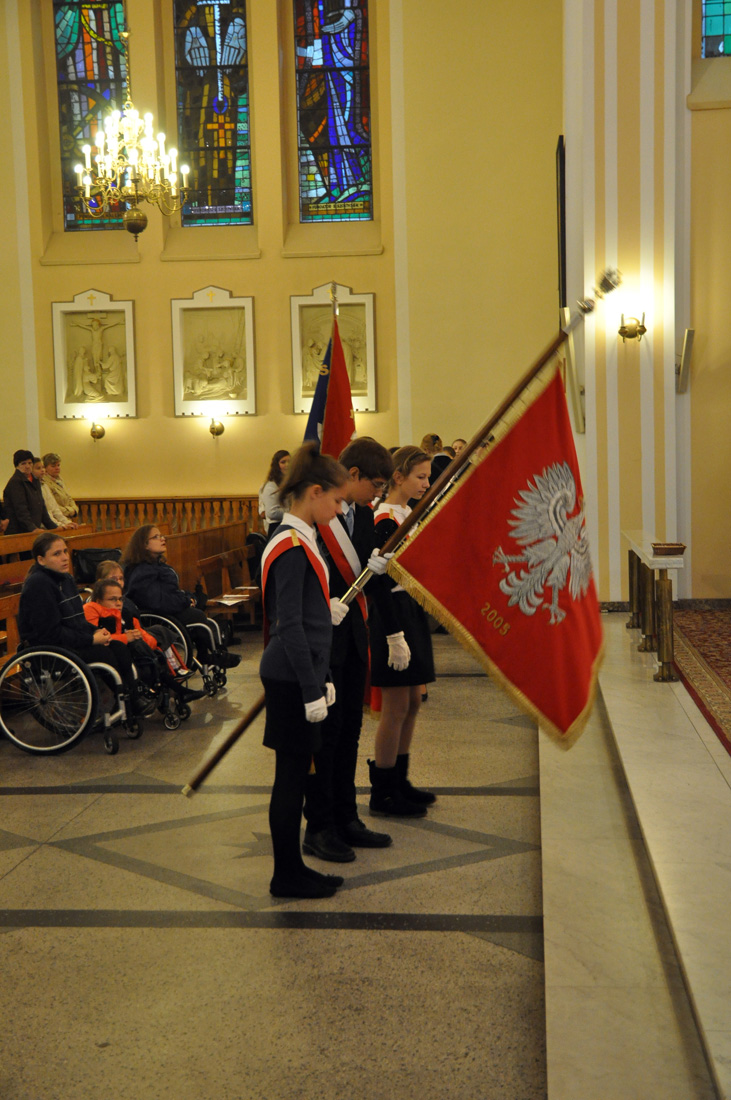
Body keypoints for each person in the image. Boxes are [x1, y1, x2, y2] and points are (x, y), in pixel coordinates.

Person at [259, 442, 349, 899]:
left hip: (300, 671)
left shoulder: (301, 538)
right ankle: (286, 875)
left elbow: (301, 612)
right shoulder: (291, 545)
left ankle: (294, 868)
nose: (340, 509)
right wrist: (312, 687)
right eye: (336, 499)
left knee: (298, 775)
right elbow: (288, 624)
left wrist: (323, 609)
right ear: (315, 492)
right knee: (291, 779)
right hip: (291, 676)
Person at [302, 437, 397, 863]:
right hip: (324, 641)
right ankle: (319, 826)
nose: (377, 494)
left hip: (355, 637)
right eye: (374, 484)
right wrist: (324, 604)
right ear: (352, 474)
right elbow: (305, 575)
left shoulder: (364, 513)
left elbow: (363, 579)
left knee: (349, 733)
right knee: (325, 739)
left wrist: (380, 571)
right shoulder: (319, 515)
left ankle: (346, 817)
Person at [368, 446, 437, 816]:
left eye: (428, 476)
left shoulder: (408, 513)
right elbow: (379, 582)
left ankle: (400, 779)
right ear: (398, 477)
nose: (426, 483)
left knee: (412, 702)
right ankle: (383, 790)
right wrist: (394, 636)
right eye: (420, 476)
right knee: (395, 707)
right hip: (391, 614)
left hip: (410, 608)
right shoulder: (383, 519)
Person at [17, 533, 145, 712]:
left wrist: (96, 631)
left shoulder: (66, 579)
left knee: (118, 646)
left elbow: (77, 620)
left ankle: (131, 700)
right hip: (48, 650)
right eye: (56, 554)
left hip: (70, 641)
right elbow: (50, 633)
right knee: (103, 654)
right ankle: (127, 702)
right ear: (41, 560)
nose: (64, 558)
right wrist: (91, 639)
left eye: (65, 551)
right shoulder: (39, 584)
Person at [121, 525, 240, 670]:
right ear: (144, 545)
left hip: (168, 607)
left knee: (199, 602)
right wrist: (184, 601)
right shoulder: (143, 571)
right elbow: (156, 601)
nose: (162, 539)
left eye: (161, 536)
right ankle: (210, 654)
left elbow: (171, 591)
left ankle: (214, 652)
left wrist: (188, 597)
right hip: (158, 614)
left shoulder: (157, 565)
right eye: (156, 537)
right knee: (196, 615)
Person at [84, 578, 204, 705]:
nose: (118, 603)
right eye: (112, 599)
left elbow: (144, 636)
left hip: (130, 650)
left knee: (152, 650)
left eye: (120, 599)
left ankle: (173, 689)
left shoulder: (126, 614)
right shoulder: (91, 610)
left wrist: (144, 638)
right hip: (108, 651)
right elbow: (95, 637)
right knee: (140, 651)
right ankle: (175, 691)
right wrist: (126, 638)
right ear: (99, 601)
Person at [3, 450, 58, 534]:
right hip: (19, 532)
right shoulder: (15, 482)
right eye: (23, 463)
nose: (27, 466)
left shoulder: (35, 480)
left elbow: (42, 508)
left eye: (30, 463)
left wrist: (55, 527)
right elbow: (21, 510)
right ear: (17, 466)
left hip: (33, 529)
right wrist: (33, 529)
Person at [32, 458, 77, 530]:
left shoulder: (44, 485)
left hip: (54, 522)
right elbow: (46, 513)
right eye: (38, 468)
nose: (42, 470)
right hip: (44, 526)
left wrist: (67, 522)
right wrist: (59, 525)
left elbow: (54, 508)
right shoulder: (35, 487)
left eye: (43, 467)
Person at [258, 450, 290, 532]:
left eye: (289, 462)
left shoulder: (289, 482)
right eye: (283, 462)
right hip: (277, 527)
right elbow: (272, 513)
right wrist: (293, 512)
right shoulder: (271, 486)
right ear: (276, 465)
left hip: (288, 524)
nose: (287, 465)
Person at [42, 453, 79, 520]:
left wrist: (74, 509)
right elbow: (52, 506)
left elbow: (69, 498)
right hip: (55, 519)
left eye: (58, 465)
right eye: (53, 466)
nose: (57, 468)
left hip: (67, 518)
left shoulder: (60, 480)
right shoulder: (44, 483)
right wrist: (70, 511)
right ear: (45, 468)